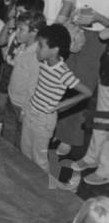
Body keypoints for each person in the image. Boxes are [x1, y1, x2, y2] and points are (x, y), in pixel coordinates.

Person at [64, 0, 109, 185]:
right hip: (107, 61)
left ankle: (105, 168)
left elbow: (103, 31)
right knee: (102, 113)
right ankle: (92, 156)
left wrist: (100, 18)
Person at [20, 23, 92, 171]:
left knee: (39, 159)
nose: (37, 49)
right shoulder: (45, 61)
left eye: (41, 46)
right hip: (31, 110)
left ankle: (42, 189)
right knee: (25, 151)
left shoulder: (63, 72)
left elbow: (87, 92)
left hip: (44, 120)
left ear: (55, 50)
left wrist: (61, 105)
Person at [0, 7, 45, 147]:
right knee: (8, 132)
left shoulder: (36, 56)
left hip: (23, 106)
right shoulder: (22, 46)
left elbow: (34, 85)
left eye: (21, 30)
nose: (17, 32)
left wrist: (26, 109)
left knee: (20, 140)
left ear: (34, 32)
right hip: (12, 98)